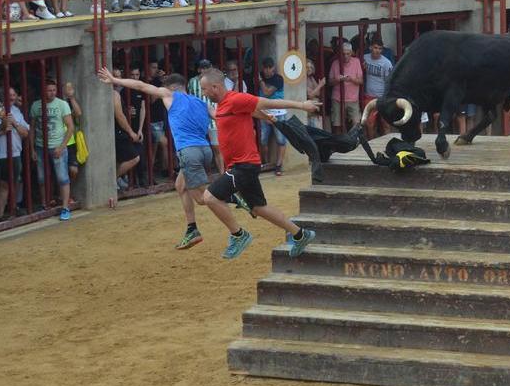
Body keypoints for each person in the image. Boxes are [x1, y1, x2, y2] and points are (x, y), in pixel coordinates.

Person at [197, 68, 319, 260]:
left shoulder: (236, 99)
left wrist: (302, 105)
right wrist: (265, 117)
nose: (203, 93)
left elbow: (269, 102)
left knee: (210, 197)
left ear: (215, 86)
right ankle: (300, 234)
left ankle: (239, 235)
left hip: (244, 165)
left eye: (204, 89)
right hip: (241, 165)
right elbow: (252, 111)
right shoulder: (222, 106)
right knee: (258, 207)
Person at [98, 67, 217, 249]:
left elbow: (141, 85)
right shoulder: (201, 102)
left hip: (189, 153)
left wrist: (115, 80)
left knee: (202, 198)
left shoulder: (170, 95)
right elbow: (222, 117)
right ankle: (192, 229)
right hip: (205, 150)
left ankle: (235, 196)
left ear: (171, 87)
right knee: (180, 185)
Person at [29, 78, 74, 221]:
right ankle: (44, 204)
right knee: (42, 177)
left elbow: (70, 127)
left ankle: (65, 207)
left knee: (62, 177)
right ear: (44, 91)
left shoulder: (62, 104)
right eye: (49, 90)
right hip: (40, 145)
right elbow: (32, 129)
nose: (52, 93)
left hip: (57, 145)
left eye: (54, 90)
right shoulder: (36, 106)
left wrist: (61, 147)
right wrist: (32, 149)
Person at [328, 40, 363, 134]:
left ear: (351, 53)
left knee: (356, 124)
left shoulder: (356, 62)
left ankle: (353, 144)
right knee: (337, 124)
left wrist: (351, 79)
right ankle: (340, 146)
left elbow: (361, 81)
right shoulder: (335, 63)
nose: (345, 56)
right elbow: (330, 82)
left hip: (353, 99)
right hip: (337, 99)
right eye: (343, 54)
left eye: (348, 54)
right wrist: (337, 79)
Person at [362, 38, 394, 137]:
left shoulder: (386, 63)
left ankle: (387, 143)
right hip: (369, 95)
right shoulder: (364, 58)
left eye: (380, 49)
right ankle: (371, 144)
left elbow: (389, 81)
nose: (377, 50)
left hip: (382, 96)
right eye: (375, 48)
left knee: (386, 124)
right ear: (371, 47)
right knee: (370, 124)